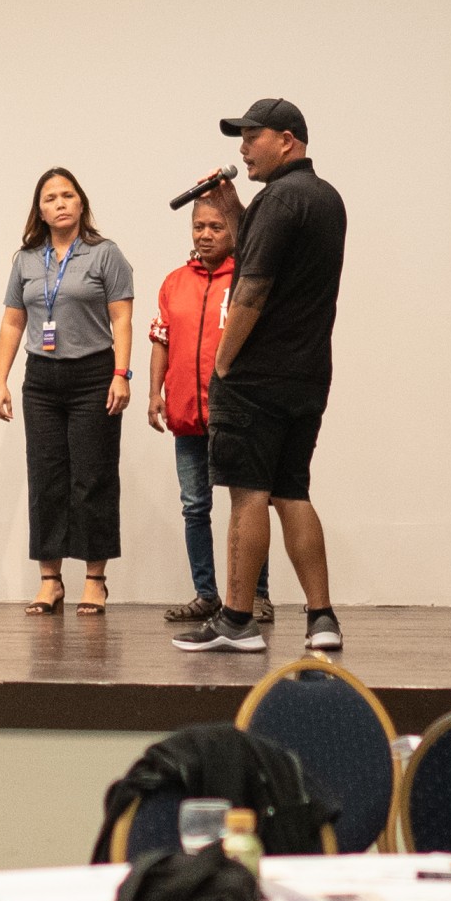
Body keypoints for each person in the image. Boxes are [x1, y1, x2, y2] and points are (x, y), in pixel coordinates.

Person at [172, 99, 346, 655]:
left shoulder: (280, 198)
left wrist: (223, 363)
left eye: (252, 136)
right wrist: (238, 211)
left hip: (256, 377)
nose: (242, 147)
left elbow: (252, 287)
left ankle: (237, 620)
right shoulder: (323, 198)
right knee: (292, 490)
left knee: (247, 495)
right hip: (308, 372)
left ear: (288, 140)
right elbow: (276, 261)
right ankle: (322, 618)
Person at [0, 168, 135, 612]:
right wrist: (0, 381)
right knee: (47, 479)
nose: (60, 203)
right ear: (40, 209)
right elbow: (13, 321)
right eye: (50, 197)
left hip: (94, 375)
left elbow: (122, 319)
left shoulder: (104, 254)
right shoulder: (26, 260)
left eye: (68, 195)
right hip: (42, 381)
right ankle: (50, 580)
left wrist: (121, 374)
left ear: (81, 203)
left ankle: (95, 579)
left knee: (92, 477)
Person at [147, 189, 272, 629]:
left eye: (215, 227)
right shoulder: (174, 282)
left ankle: (257, 596)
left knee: (250, 502)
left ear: (233, 233)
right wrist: (154, 393)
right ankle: (206, 594)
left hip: (236, 411)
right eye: (198, 226)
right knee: (195, 507)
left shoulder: (246, 280)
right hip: (186, 413)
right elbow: (161, 341)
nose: (205, 234)